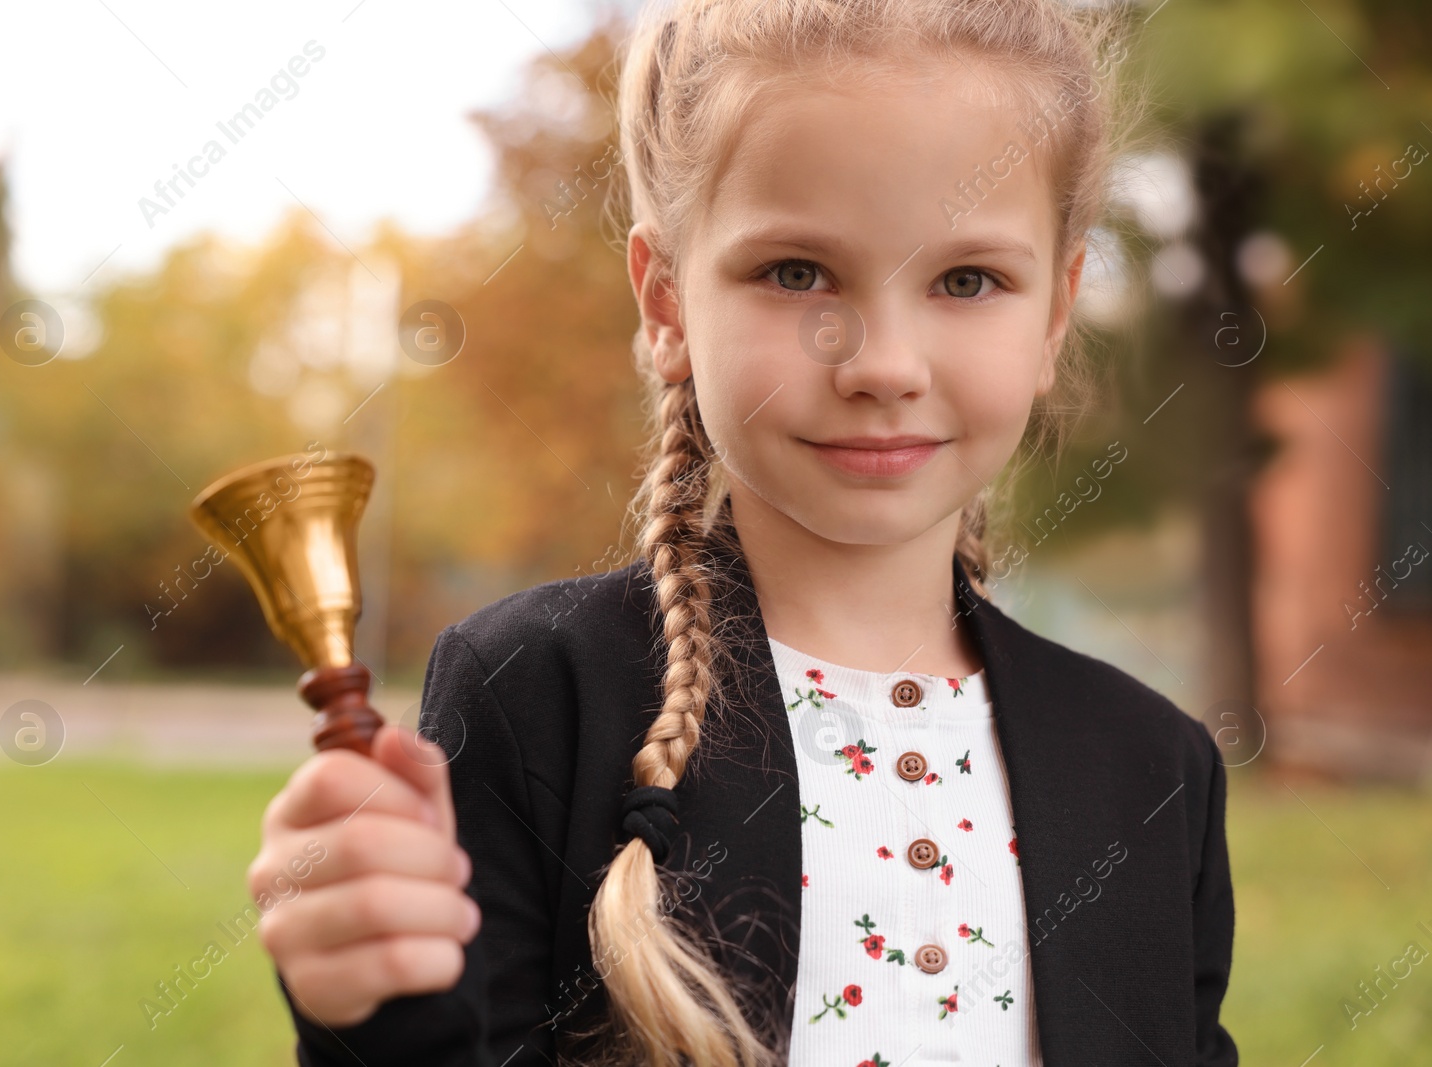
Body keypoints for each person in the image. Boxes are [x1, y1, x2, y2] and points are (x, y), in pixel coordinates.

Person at [246, 0, 1238, 1064]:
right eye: (797, 273)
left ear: (1054, 311)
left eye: (966, 280)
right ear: (666, 301)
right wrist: (371, 1012)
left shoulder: (1151, 766)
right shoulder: (540, 691)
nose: (883, 364)